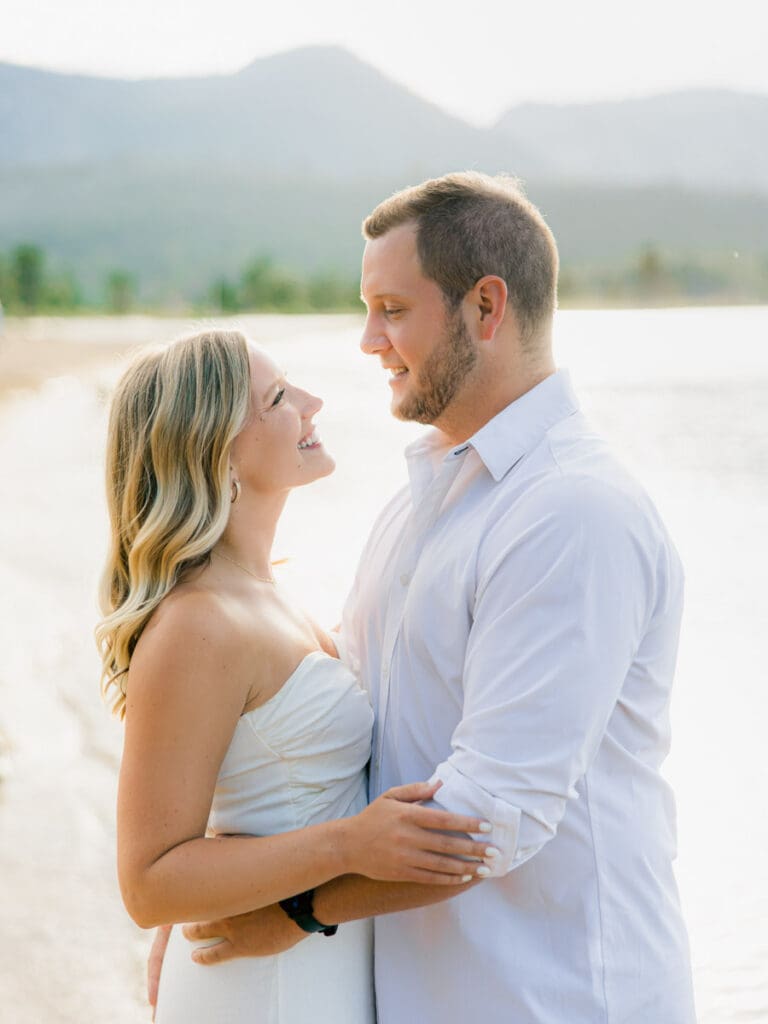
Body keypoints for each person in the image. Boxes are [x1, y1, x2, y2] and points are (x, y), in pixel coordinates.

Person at [164, 173, 697, 1024]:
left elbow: (489, 816)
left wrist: (294, 909)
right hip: (424, 995)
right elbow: (359, 722)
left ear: (486, 308)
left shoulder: (572, 512)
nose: (369, 340)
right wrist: (222, 871)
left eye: (392, 309)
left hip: (553, 998)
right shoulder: (422, 503)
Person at [96, 329, 495, 1024]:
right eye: (279, 397)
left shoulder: (268, 594)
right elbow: (149, 882)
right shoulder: (197, 624)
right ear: (214, 449)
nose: (313, 403)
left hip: (313, 962)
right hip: (263, 989)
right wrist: (349, 843)